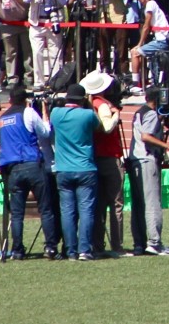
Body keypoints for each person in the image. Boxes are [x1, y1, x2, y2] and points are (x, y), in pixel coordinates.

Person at [0, 85, 59, 260]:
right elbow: (45, 132)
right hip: (32, 164)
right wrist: (45, 113)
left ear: (10, 100)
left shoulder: (3, 118)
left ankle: (17, 250)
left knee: (17, 213)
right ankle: (50, 247)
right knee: (46, 209)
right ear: (26, 99)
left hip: (12, 168)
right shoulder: (28, 112)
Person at [50, 84, 101, 261]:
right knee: (86, 210)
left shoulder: (56, 114)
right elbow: (98, 126)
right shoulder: (87, 115)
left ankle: (70, 250)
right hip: (85, 167)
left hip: (64, 169)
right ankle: (84, 249)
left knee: (67, 211)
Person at [126, 86, 169, 256]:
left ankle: (139, 243)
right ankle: (154, 242)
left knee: (139, 204)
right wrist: (167, 146)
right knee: (152, 202)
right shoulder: (151, 114)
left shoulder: (140, 112)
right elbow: (146, 136)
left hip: (136, 159)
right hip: (147, 159)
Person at [81, 71, 126, 257]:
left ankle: (97, 244)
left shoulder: (87, 105)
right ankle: (117, 245)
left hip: (94, 157)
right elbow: (108, 128)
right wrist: (116, 115)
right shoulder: (105, 106)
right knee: (116, 203)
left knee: (98, 205)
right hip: (110, 157)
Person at [129, 0, 169, 94]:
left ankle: (135, 84)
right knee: (142, 53)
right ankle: (146, 80)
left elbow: (146, 26)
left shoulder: (151, 4)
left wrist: (140, 43)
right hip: (159, 38)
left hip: (162, 40)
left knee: (135, 52)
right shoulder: (147, 6)